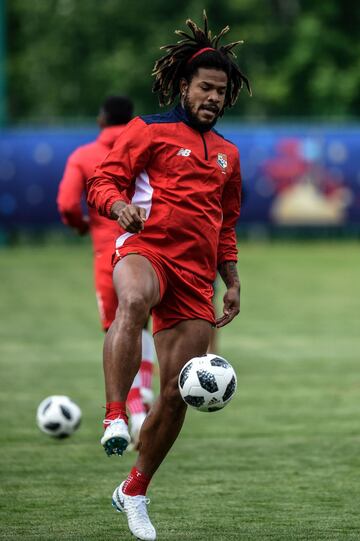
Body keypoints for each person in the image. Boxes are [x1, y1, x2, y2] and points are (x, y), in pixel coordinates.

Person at [87, 12, 250, 541]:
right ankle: (115, 415)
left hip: (196, 276)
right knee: (131, 298)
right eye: (205, 87)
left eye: (221, 92)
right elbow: (103, 180)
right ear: (185, 85)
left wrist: (233, 277)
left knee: (180, 391)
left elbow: (225, 225)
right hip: (146, 247)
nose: (214, 98)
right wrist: (118, 207)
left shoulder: (228, 154)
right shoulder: (149, 131)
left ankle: (134, 489)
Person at [57, 96, 155, 447]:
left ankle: (135, 416)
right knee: (142, 327)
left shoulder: (84, 156)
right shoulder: (149, 146)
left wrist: (82, 225)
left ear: (101, 119)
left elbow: (67, 203)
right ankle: (143, 399)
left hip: (108, 256)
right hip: (151, 250)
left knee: (118, 330)